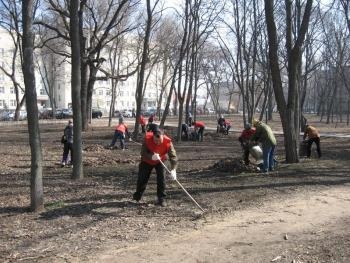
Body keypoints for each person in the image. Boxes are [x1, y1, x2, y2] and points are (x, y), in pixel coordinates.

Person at [133, 127, 178, 207]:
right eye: (155, 140)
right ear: (153, 136)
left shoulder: (168, 142)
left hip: (161, 160)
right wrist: (151, 157)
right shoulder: (147, 139)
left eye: (159, 141)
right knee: (142, 178)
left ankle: (161, 199)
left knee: (161, 179)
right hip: (146, 161)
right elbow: (143, 152)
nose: (157, 142)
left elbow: (173, 156)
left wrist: (173, 169)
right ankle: (137, 196)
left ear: (163, 137)